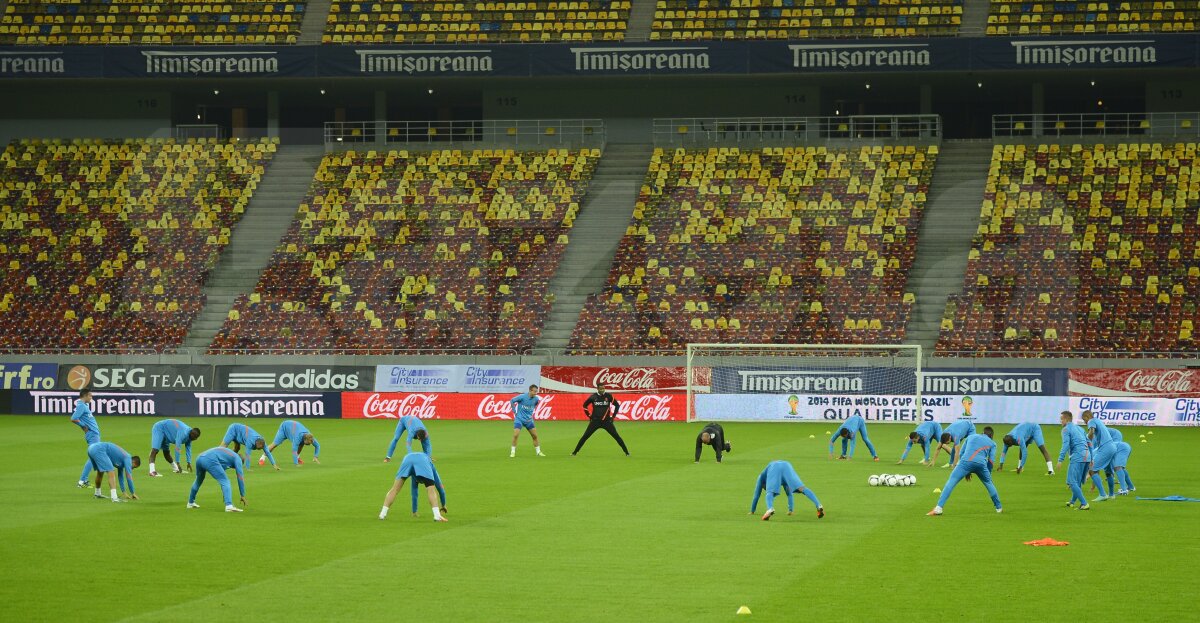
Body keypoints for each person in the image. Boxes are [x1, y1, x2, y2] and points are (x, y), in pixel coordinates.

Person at [927, 427, 1002, 516]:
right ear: (991, 436)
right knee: (989, 484)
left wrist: (967, 471)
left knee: (951, 482)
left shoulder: (971, 437)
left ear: (982, 432)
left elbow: (961, 453)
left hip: (965, 463)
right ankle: (998, 508)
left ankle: (938, 508)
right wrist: (988, 473)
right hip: (981, 464)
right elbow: (991, 460)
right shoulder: (993, 443)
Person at [379, 451, 447, 522]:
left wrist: (414, 511)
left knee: (394, 489)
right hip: (422, 460)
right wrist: (443, 505)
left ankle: (382, 514)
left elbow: (414, 493)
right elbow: (440, 489)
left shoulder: (414, 475)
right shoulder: (431, 467)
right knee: (431, 490)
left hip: (407, 458)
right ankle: (437, 516)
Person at [749, 460, 824, 520]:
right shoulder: (781, 479)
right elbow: (789, 494)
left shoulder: (761, 477)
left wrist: (752, 511)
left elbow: (756, 496)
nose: (765, 489)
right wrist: (790, 510)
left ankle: (770, 509)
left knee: (770, 492)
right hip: (787, 465)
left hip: (774, 467)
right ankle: (818, 505)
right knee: (802, 488)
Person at [571, 382, 630, 456]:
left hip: (606, 422)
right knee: (585, 436)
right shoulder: (593, 397)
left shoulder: (608, 396)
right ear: (597, 389)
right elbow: (584, 406)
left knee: (616, 437)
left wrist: (613, 417)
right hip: (595, 421)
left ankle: (627, 452)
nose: (602, 390)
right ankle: (575, 452)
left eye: (603, 388)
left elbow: (617, 405)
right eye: (601, 389)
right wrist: (589, 416)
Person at [187, 447, 246, 513]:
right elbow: (240, 477)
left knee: (198, 480)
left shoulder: (229, 455)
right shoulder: (237, 458)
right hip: (209, 459)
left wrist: (226, 494)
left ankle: (190, 503)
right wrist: (242, 495)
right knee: (225, 481)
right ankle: (229, 506)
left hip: (200, 458)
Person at [1056, 411, 1093, 510]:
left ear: (1066, 419)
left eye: (1061, 419)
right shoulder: (1080, 429)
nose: (1060, 421)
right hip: (1087, 456)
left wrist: (1060, 459)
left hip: (1078, 457)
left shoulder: (1065, 429)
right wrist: (1092, 457)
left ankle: (1084, 503)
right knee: (1077, 482)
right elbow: (1089, 443)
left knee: (1072, 482)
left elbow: (1066, 444)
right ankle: (1072, 501)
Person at [1081, 410, 1117, 502]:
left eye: (1084, 420)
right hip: (1112, 446)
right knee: (1108, 471)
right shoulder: (1098, 421)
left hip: (1106, 447)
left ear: (1086, 417)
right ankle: (1112, 495)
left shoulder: (1091, 421)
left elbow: (1091, 432)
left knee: (1092, 469)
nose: (1085, 423)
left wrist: (1085, 439)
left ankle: (1103, 494)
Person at [70, 389, 100, 487]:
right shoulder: (81, 406)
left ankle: (84, 480)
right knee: (93, 457)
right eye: (90, 396)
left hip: (93, 433)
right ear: (85, 395)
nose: (91, 397)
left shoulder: (84, 405)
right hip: (92, 434)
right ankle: (82, 481)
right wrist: (83, 426)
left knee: (93, 457)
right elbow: (73, 418)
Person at [509, 384, 545, 458]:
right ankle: (512, 452)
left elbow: (535, 404)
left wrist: (530, 411)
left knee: (534, 436)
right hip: (519, 419)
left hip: (529, 420)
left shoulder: (536, 399)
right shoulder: (522, 397)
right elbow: (512, 401)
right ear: (530, 391)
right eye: (534, 391)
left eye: (536, 391)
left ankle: (538, 452)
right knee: (516, 435)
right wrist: (514, 411)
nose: (536, 393)